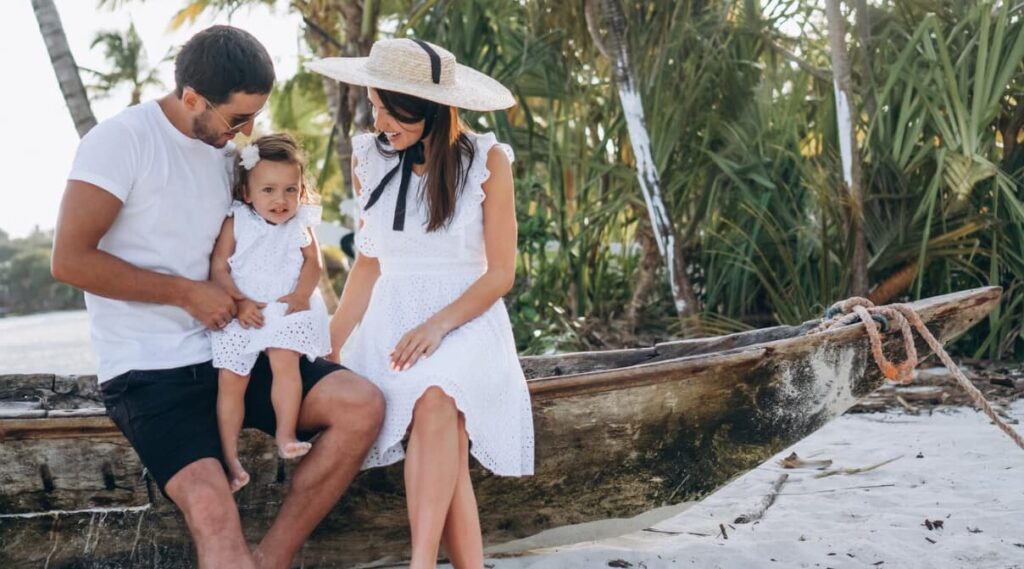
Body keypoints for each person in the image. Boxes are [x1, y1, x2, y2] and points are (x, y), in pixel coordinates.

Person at [51, 26, 384, 569]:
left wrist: (305, 324)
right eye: (238, 118)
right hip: (150, 371)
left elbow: (267, 245)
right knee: (212, 513)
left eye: (255, 116)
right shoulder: (120, 142)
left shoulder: (230, 154)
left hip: (239, 349)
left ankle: (271, 559)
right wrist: (187, 294)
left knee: (361, 405)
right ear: (190, 99)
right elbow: (70, 260)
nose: (248, 131)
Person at [307, 38, 535, 569]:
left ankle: (420, 561)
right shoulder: (370, 160)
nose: (379, 119)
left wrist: (438, 326)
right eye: (374, 105)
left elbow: (501, 273)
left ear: (427, 105)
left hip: (466, 320)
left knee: (436, 395)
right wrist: (331, 344)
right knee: (443, 428)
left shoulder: (488, 161)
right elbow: (369, 263)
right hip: (392, 320)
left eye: (390, 107)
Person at [211, 133, 332, 492]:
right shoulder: (238, 221)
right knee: (231, 380)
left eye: (290, 190)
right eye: (269, 190)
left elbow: (314, 263)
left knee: (285, 362)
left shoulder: (301, 222)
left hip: (283, 306)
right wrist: (238, 302)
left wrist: (301, 295)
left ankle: (285, 433)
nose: (281, 200)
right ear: (247, 193)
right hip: (245, 308)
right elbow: (219, 268)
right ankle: (230, 458)